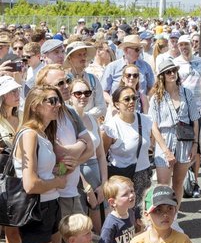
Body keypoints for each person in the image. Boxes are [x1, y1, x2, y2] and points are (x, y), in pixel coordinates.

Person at [13, 85, 70, 243]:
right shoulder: (29, 134)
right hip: (36, 214)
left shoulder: (43, 134)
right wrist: (58, 181)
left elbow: (46, 175)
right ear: (36, 105)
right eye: (51, 101)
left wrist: (61, 170)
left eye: (58, 100)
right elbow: (30, 184)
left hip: (50, 209)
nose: (57, 105)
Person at [36, 65, 93, 231]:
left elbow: (90, 148)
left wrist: (73, 160)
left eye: (67, 80)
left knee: (82, 238)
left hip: (73, 192)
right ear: (45, 88)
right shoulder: (44, 117)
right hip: (55, 196)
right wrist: (81, 144)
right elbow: (59, 153)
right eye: (60, 83)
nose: (67, 86)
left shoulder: (70, 112)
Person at [103, 85, 171, 218]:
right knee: (123, 215)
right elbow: (103, 154)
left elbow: (155, 135)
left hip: (142, 175)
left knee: (142, 214)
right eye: (126, 99)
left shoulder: (145, 120)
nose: (131, 102)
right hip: (121, 177)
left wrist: (166, 151)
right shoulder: (111, 127)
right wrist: (104, 182)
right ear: (116, 104)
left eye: (134, 98)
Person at [149, 54, 201, 205]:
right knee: (163, 185)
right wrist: (166, 151)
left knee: (178, 183)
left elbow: (195, 120)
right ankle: (162, 214)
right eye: (168, 72)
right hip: (164, 140)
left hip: (184, 141)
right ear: (162, 76)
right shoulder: (156, 98)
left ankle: (175, 215)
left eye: (174, 71)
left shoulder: (187, 93)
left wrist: (195, 144)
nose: (172, 74)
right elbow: (154, 127)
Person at [0, 75, 29, 243]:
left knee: (13, 233)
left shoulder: (22, 117)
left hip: (15, 182)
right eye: (11, 91)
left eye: (17, 90)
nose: (16, 94)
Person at [68, 77, 108, 234]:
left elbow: (101, 155)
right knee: (81, 226)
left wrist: (104, 183)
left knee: (100, 226)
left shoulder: (92, 118)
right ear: (70, 95)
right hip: (76, 177)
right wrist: (86, 186)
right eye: (78, 93)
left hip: (96, 175)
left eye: (87, 93)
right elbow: (69, 160)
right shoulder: (67, 121)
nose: (83, 96)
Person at [100, 35, 155, 107]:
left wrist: (146, 99)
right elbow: (103, 91)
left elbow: (152, 87)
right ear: (126, 50)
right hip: (118, 109)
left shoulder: (145, 66)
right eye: (137, 49)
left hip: (140, 109)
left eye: (140, 49)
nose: (140, 52)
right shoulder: (112, 67)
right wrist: (113, 103)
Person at [64, 40, 106, 119]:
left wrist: (85, 116)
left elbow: (101, 106)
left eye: (84, 54)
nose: (83, 58)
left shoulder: (93, 79)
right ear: (70, 58)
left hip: (90, 122)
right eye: (79, 55)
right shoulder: (64, 82)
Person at [173, 34, 201, 101]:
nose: (184, 47)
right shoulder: (174, 63)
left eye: (186, 44)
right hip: (181, 103)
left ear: (192, 44)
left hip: (198, 104)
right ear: (178, 47)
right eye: (181, 45)